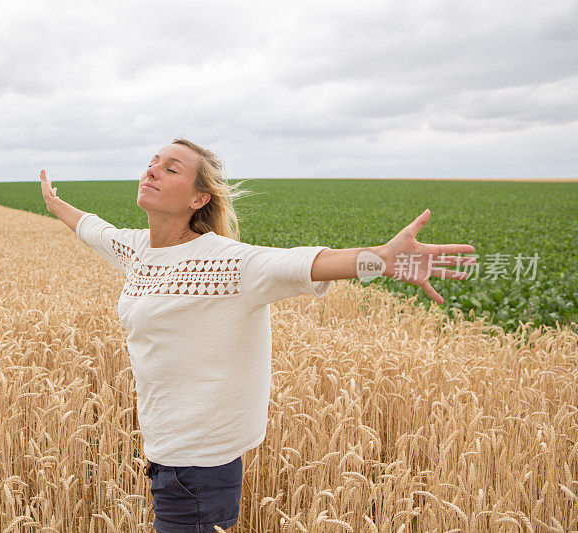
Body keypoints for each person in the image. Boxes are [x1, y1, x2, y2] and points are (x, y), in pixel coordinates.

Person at [40, 138, 476, 533]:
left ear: (199, 198)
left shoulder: (227, 263)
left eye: (171, 168)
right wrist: (56, 204)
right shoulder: (139, 250)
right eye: (152, 162)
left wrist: (380, 259)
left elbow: (303, 264)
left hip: (199, 468)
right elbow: (95, 230)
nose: (152, 170)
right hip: (164, 453)